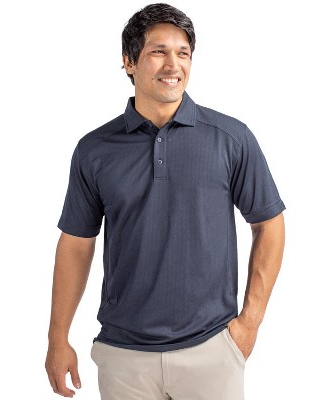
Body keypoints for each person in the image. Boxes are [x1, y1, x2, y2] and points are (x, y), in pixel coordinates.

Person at [45, 3, 286, 399]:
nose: (173, 65)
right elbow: (76, 243)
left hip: (212, 348)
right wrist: (58, 337)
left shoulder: (231, 138)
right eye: (158, 52)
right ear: (128, 62)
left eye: (183, 53)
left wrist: (249, 323)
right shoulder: (94, 150)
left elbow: (269, 223)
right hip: (124, 356)